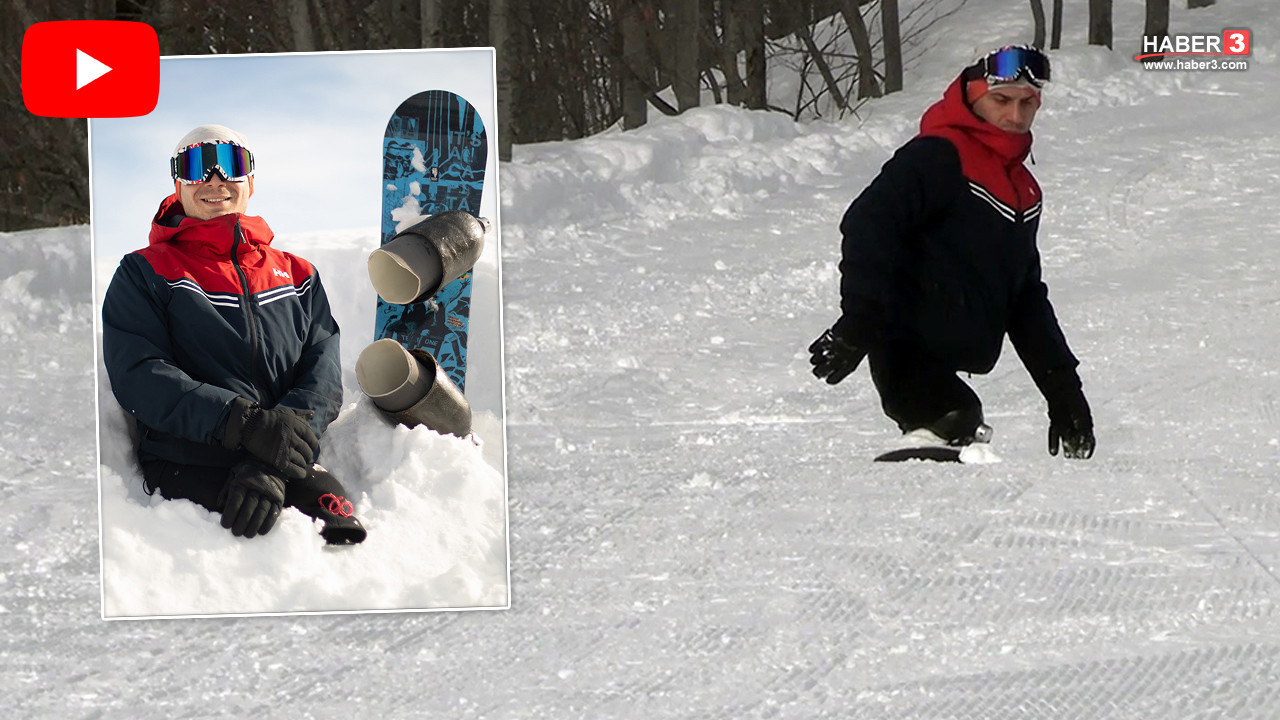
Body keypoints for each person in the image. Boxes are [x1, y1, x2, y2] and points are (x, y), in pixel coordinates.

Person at [808, 45, 1096, 459]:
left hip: (949, 356)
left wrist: (1065, 394)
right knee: (951, 414)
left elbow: (1025, 298)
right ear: (972, 96)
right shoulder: (937, 156)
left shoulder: (1023, 191)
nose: (1015, 116)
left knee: (958, 415)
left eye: (1027, 103)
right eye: (1001, 100)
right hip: (904, 345)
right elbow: (868, 223)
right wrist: (859, 322)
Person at [102, 124, 367, 543]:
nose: (215, 180)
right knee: (262, 540)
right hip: (189, 459)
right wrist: (245, 426)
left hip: (283, 454)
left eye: (231, 165)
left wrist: (274, 455)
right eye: (196, 166)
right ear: (177, 183)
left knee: (339, 528)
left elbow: (323, 371)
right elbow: (140, 375)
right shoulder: (146, 272)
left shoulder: (298, 274)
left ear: (251, 181)